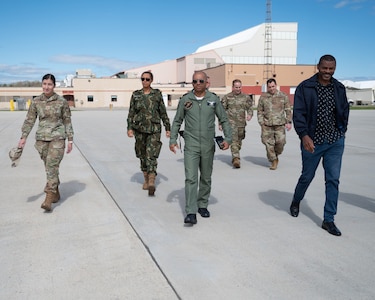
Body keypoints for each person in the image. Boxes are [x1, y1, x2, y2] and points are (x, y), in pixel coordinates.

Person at [290, 54, 349, 236]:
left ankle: (328, 219)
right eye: (325, 68)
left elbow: (344, 110)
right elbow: (298, 114)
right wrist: (304, 135)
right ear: (318, 67)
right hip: (312, 141)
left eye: (331, 69)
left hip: (335, 141)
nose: (328, 72)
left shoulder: (339, 88)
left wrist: (341, 131)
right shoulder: (305, 87)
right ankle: (296, 201)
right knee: (307, 176)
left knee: (333, 180)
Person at [169, 71, 232, 225]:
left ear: (206, 83)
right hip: (191, 145)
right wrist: (172, 139)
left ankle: (202, 204)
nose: (197, 84)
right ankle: (191, 211)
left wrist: (228, 139)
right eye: (195, 81)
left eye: (200, 81)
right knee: (191, 178)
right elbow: (177, 120)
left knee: (205, 177)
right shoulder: (185, 99)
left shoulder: (213, 99)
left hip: (208, 145)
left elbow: (223, 119)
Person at [18, 74, 74, 212]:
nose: (46, 87)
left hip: (58, 138)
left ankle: (48, 198)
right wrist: (23, 137)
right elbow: (30, 120)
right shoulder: (36, 101)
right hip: (41, 140)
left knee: (51, 166)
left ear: (54, 86)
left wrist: (70, 139)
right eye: (44, 84)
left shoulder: (61, 102)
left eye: (49, 84)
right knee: (50, 168)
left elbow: (67, 121)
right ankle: (56, 192)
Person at [127, 71, 171, 196]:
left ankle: (152, 180)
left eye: (147, 79)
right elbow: (131, 113)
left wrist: (168, 127)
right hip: (139, 130)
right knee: (142, 155)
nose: (145, 81)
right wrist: (129, 128)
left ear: (151, 80)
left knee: (151, 154)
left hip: (154, 129)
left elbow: (163, 112)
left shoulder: (156, 94)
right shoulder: (136, 95)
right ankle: (146, 179)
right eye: (143, 79)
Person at [257, 78, 292, 170]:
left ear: (276, 85)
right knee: (268, 143)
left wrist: (288, 122)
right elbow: (260, 111)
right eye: (269, 87)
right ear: (267, 87)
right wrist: (261, 122)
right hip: (267, 124)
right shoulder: (263, 97)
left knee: (281, 142)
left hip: (280, 124)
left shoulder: (283, 96)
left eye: (273, 86)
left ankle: (275, 155)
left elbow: (288, 109)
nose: (271, 88)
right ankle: (274, 160)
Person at [220, 79, 253, 168]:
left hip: (241, 124)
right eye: (236, 87)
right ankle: (236, 159)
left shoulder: (246, 97)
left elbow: (250, 108)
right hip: (231, 124)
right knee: (234, 141)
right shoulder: (227, 97)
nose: (238, 89)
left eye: (239, 87)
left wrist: (250, 115)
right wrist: (220, 123)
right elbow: (222, 111)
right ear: (233, 87)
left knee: (239, 141)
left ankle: (236, 152)